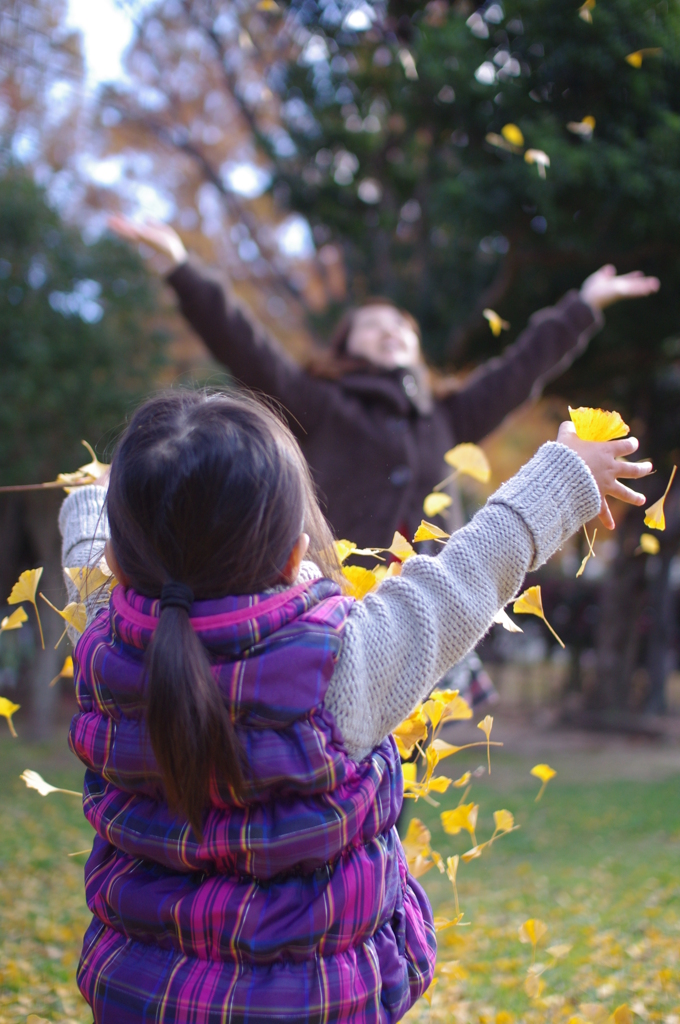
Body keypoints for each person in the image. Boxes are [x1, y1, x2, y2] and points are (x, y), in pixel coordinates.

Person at [60, 387, 651, 1023]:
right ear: (294, 553)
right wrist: (564, 474)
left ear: (118, 559)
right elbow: (470, 572)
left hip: (146, 1001)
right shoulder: (342, 662)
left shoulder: (103, 650)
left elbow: (84, 568)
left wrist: (92, 499)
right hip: (321, 1008)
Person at [109, 215, 659, 548]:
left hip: (426, 603)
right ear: (345, 347)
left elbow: (520, 370)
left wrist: (584, 305)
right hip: (332, 592)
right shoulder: (317, 402)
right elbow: (245, 344)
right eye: (372, 326)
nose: (389, 331)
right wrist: (183, 267)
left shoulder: (447, 417)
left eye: (401, 327)